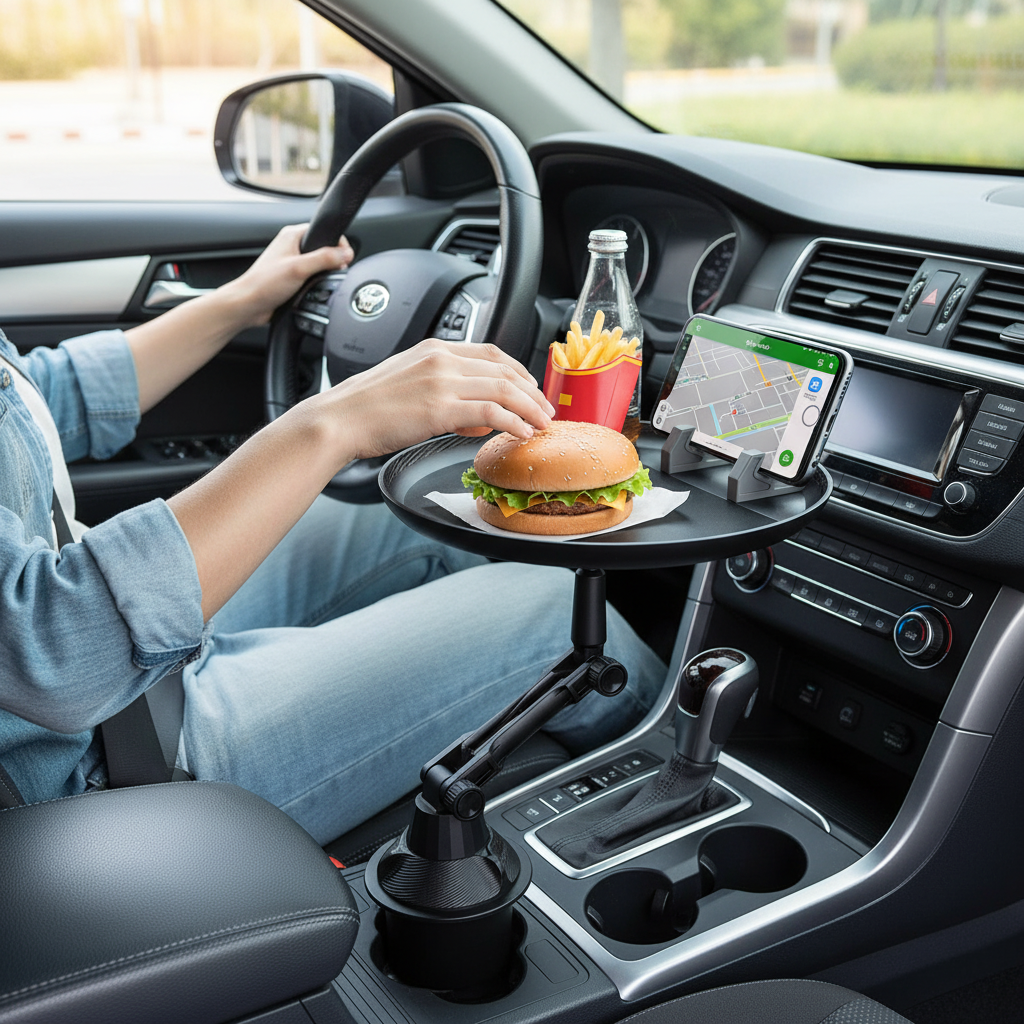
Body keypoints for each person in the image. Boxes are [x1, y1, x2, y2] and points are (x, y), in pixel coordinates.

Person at [0, 225, 666, 844]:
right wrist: (336, 420)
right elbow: (53, 653)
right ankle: (674, 796)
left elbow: (36, 396)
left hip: (87, 655)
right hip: (87, 761)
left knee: (424, 521)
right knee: (560, 622)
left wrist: (240, 302)